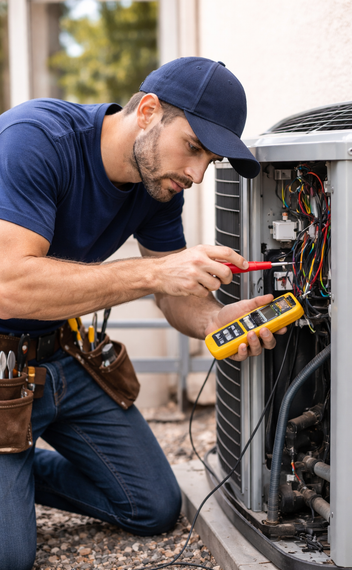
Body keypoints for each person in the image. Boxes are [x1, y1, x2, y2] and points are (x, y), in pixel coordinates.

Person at [0, 57, 283, 570]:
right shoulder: (34, 140)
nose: (196, 174)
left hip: (59, 354)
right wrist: (154, 273)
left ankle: (16, 474)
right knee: (10, 556)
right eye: (194, 148)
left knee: (152, 505)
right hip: (1, 366)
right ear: (148, 111)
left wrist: (214, 319)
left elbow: (174, 293)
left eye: (209, 160)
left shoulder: (158, 187)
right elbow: (7, 286)